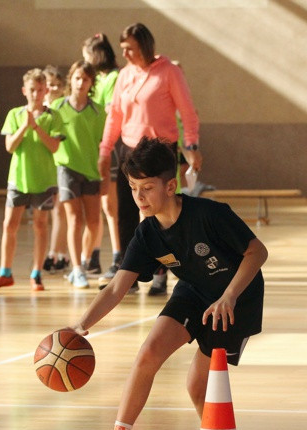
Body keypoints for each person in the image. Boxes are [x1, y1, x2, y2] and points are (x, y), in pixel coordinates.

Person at [68, 137, 266, 430]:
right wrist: (81, 325)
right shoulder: (147, 234)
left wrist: (228, 296)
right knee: (147, 353)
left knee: (196, 385)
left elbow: (257, 252)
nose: (139, 197)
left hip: (236, 301)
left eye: (147, 188)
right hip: (193, 290)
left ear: (171, 185)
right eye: (133, 188)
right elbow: (117, 286)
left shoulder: (210, 214)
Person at [97, 22, 202, 296]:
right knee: (127, 213)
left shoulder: (169, 72)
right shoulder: (124, 75)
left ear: (144, 45)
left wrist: (191, 144)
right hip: (130, 150)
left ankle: (161, 273)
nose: (126, 54)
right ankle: (129, 275)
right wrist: (105, 149)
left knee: (162, 214)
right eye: (122, 49)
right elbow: (115, 115)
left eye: (129, 48)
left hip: (160, 152)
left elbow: (188, 112)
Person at [0, 68, 64, 292]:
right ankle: (5, 272)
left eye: (40, 90)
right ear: (25, 91)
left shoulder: (53, 116)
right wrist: (25, 125)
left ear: (46, 91)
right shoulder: (15, 114)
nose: (36, 94)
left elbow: (54, 146)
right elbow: (10, 146)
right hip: (18, 179)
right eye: (32, 90)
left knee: (41, 226)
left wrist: (36, 127)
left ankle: (36, 273)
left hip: (44, 179)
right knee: (9, 225)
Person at [50, 61, 106, 290]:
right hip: (67, 169)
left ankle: (82, 260)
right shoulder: (56, 107)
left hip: (91, 171)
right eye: (77, 78)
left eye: (85, 79)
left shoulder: (98, 111)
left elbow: (104, 145)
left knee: (93, 222)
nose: (80, 83)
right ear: (70, 80)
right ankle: (76, 268)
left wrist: (104, 175)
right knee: (75, 219)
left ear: (91, 83)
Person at [82, 33, 121, 278]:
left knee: (110, 206)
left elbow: (110, 113)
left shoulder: (114, 78)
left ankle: (118, 255)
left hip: (108, 146)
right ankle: (93, 256)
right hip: (90, 148)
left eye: (86, 55)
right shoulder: (95, 79)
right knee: (94, 205)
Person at [42, 65, 71, 275]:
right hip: (42, 164)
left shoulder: (62, 109)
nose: (52, 88)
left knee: (61, 209)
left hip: (62, 162)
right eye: (48, 84)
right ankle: (56, 251)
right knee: (50, 212)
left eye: (56, 85)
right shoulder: (38, 109)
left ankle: (59, 253)